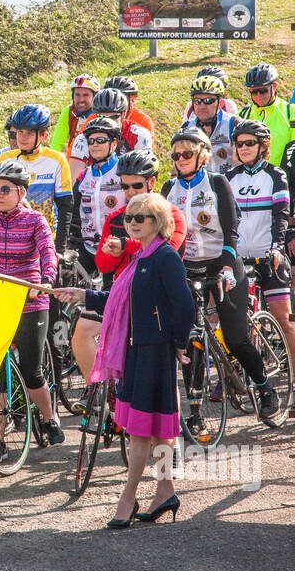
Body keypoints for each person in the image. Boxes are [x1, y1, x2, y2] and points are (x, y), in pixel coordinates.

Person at [56, 192, 194, 527]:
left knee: (141, 430)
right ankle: (165, 490)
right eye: (129, 218)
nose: (131, 223)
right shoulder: (141, 257)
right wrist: (84, 295)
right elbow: (125, 300)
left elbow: (185, 305)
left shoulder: (163, 257)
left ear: (158, 223)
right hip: (140, 347)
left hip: (153, 349)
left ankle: (128, 497)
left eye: (140, 218)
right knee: (157, 429)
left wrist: (177, 343)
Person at [161, 127, 279, 423]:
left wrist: (227, 267)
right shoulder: (167, 190)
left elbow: (231, 232)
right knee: (190, 339)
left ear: (202, 156)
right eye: (176, 155)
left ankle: (266, 389)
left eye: (187, 153)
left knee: (235, 337)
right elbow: (166, 237)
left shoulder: (217, 183)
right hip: (187, 267)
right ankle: (196, 412)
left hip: (222, 262)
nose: (181, 159)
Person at [0, 159, 62, 456]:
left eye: (5, 189)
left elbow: (48, 253)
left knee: (31, 370)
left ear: (20, 192)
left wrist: (44, 280)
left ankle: (50, 418)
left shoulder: (35, 220)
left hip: (30, 301)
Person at [69, 150, 186, 388]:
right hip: (120, 293)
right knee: (82, 330)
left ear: (152, 182)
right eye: (125, 187)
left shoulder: (170, 214)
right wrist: (114, 253)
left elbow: (164, 251)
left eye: (136, 185)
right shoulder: (116, 218)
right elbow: (102, 265)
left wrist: (124, 245)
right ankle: (103, 388)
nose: (130, 192)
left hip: (155, 295)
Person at [226, 118, 295, 382]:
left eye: (249, 143)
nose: (243, 148)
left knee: (285, 320)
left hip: (269, 257)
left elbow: (281, 215)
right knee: (237, 325)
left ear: (262, 146)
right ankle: (240, 377)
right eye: (239, 144)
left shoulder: (275, 175)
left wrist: (277, 248)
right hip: (240, 260)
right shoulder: (229, 178)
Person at [0, 103, 73, 250]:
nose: (23, 138)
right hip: (8, 238)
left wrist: (60, 248)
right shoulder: (4, 159)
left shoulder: (57, 161)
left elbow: (65, 208)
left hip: (43, 239)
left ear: (44, 136)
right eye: (20, 132)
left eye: (29, 133)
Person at [70, 117, 124, 284]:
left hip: (117, 249)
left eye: (100, 140)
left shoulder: (124, 170)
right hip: (88, 247)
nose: (94, 144)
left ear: (114, 143)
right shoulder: (84, 175)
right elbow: (73, 212)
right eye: (91, 140)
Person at [237, 62, 295, 171]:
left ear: (274, 86)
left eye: (263, 91)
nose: (259, 96)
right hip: (250, 177)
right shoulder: (243, 114)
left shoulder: (291, 112)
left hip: (282, 178)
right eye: (254, 92)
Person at [186, 73, 238, 175]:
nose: (202, 106)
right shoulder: (188, 128)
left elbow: (243, 163)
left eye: (208, 101)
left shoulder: (233, 124)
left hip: (229, 184)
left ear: (220, 103)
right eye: (197, 101)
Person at [50, 73, 100, 160]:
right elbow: (56, 144)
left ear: (94, 97)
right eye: (77, 95)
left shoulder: (100, 114)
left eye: (86, 95)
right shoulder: (68, 112)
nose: (81, 100)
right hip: (74, 158)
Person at [104, 76, 154, 153]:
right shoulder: (96, 117)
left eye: (121, 100)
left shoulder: (143, 120)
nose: (116, 105)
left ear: (132, 100)